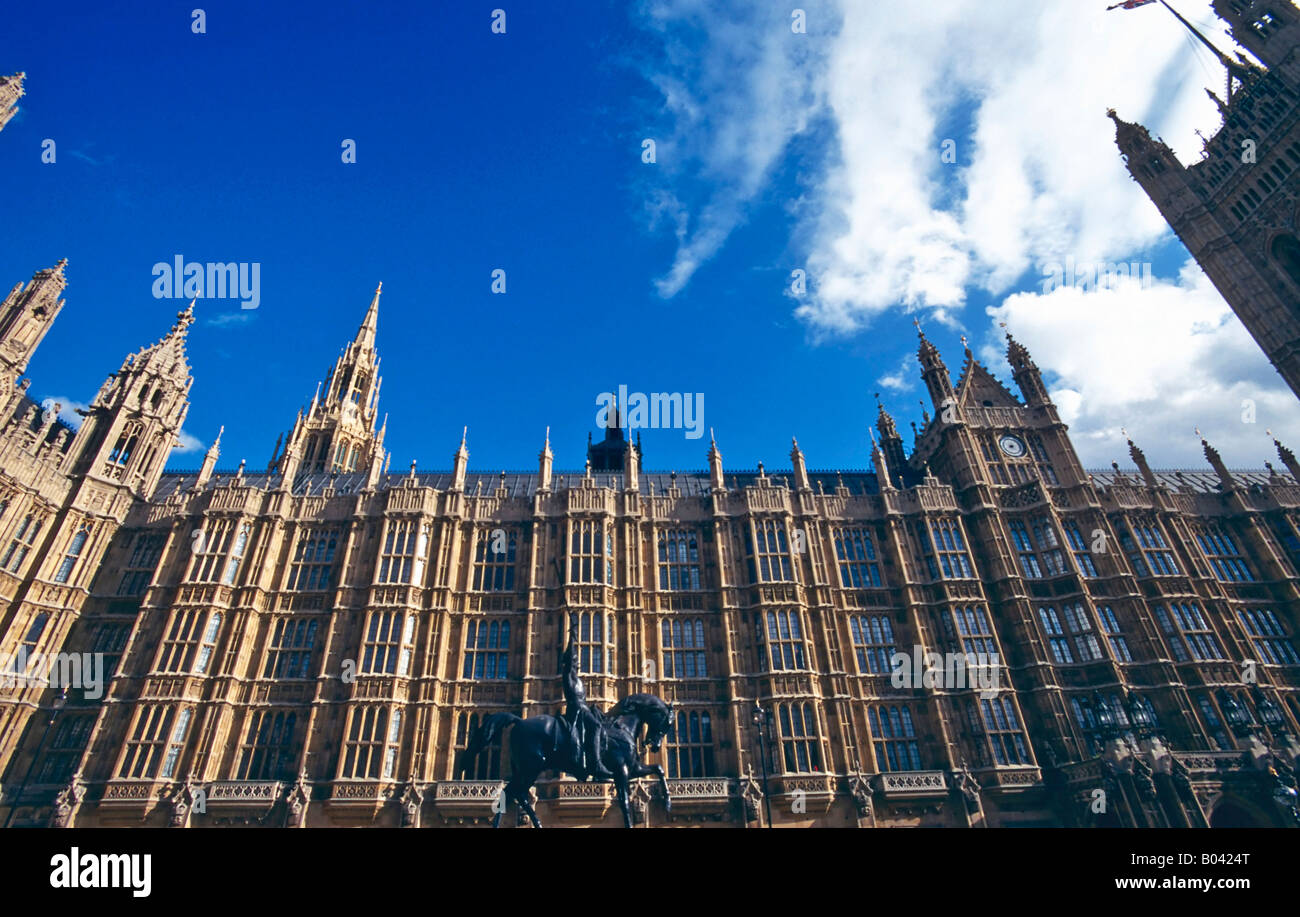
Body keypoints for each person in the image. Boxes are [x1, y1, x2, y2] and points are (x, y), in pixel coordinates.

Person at [561, 618, 613, 781]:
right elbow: (569, 658)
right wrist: (572, 638)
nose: (577, 662)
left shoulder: (577, 679)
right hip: (577, 711)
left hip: (583, 709)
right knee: (596, 726)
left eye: (576, 661)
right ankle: (596, 764)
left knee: (602, 721)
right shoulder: (568, 676)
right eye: (575, 661)